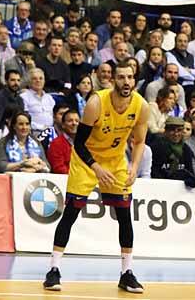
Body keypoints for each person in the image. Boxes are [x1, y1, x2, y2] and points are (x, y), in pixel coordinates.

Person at [44, 64, 150, 294]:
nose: (126, 82)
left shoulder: (141, 105)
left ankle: (127, 273)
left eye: (130, 78)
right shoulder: (96, 103)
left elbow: (139, 141)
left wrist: (134, 165)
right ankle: (53, 269)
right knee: (71, 212)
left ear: (134, 81)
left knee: (124, 215)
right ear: (112, 80)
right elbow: (79, 143)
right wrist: (96, 167)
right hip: (86, 160)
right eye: (121, 77)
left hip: (115, 161)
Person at [46, 108, 80, 174]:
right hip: (65, 181)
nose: (74, 123)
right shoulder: (56, 144)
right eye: (70, 121)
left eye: (77, 121)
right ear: (63, 125)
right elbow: (58, 168)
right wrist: (78, 176)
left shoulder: (85, 143)